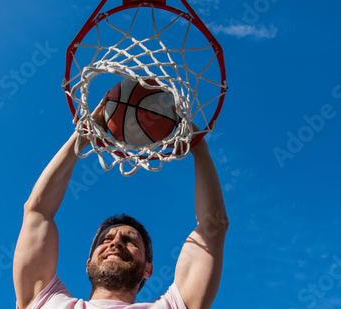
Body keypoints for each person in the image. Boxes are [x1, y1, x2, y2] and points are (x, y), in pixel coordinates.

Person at [13, 95, 229, 309]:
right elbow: (37, 211)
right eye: (105, 240)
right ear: (88, 265)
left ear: (147, 269)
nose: (115, 243)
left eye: (130, 241)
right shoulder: (46, 302)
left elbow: (213, 227)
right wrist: (81, 137)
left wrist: (199, 148)